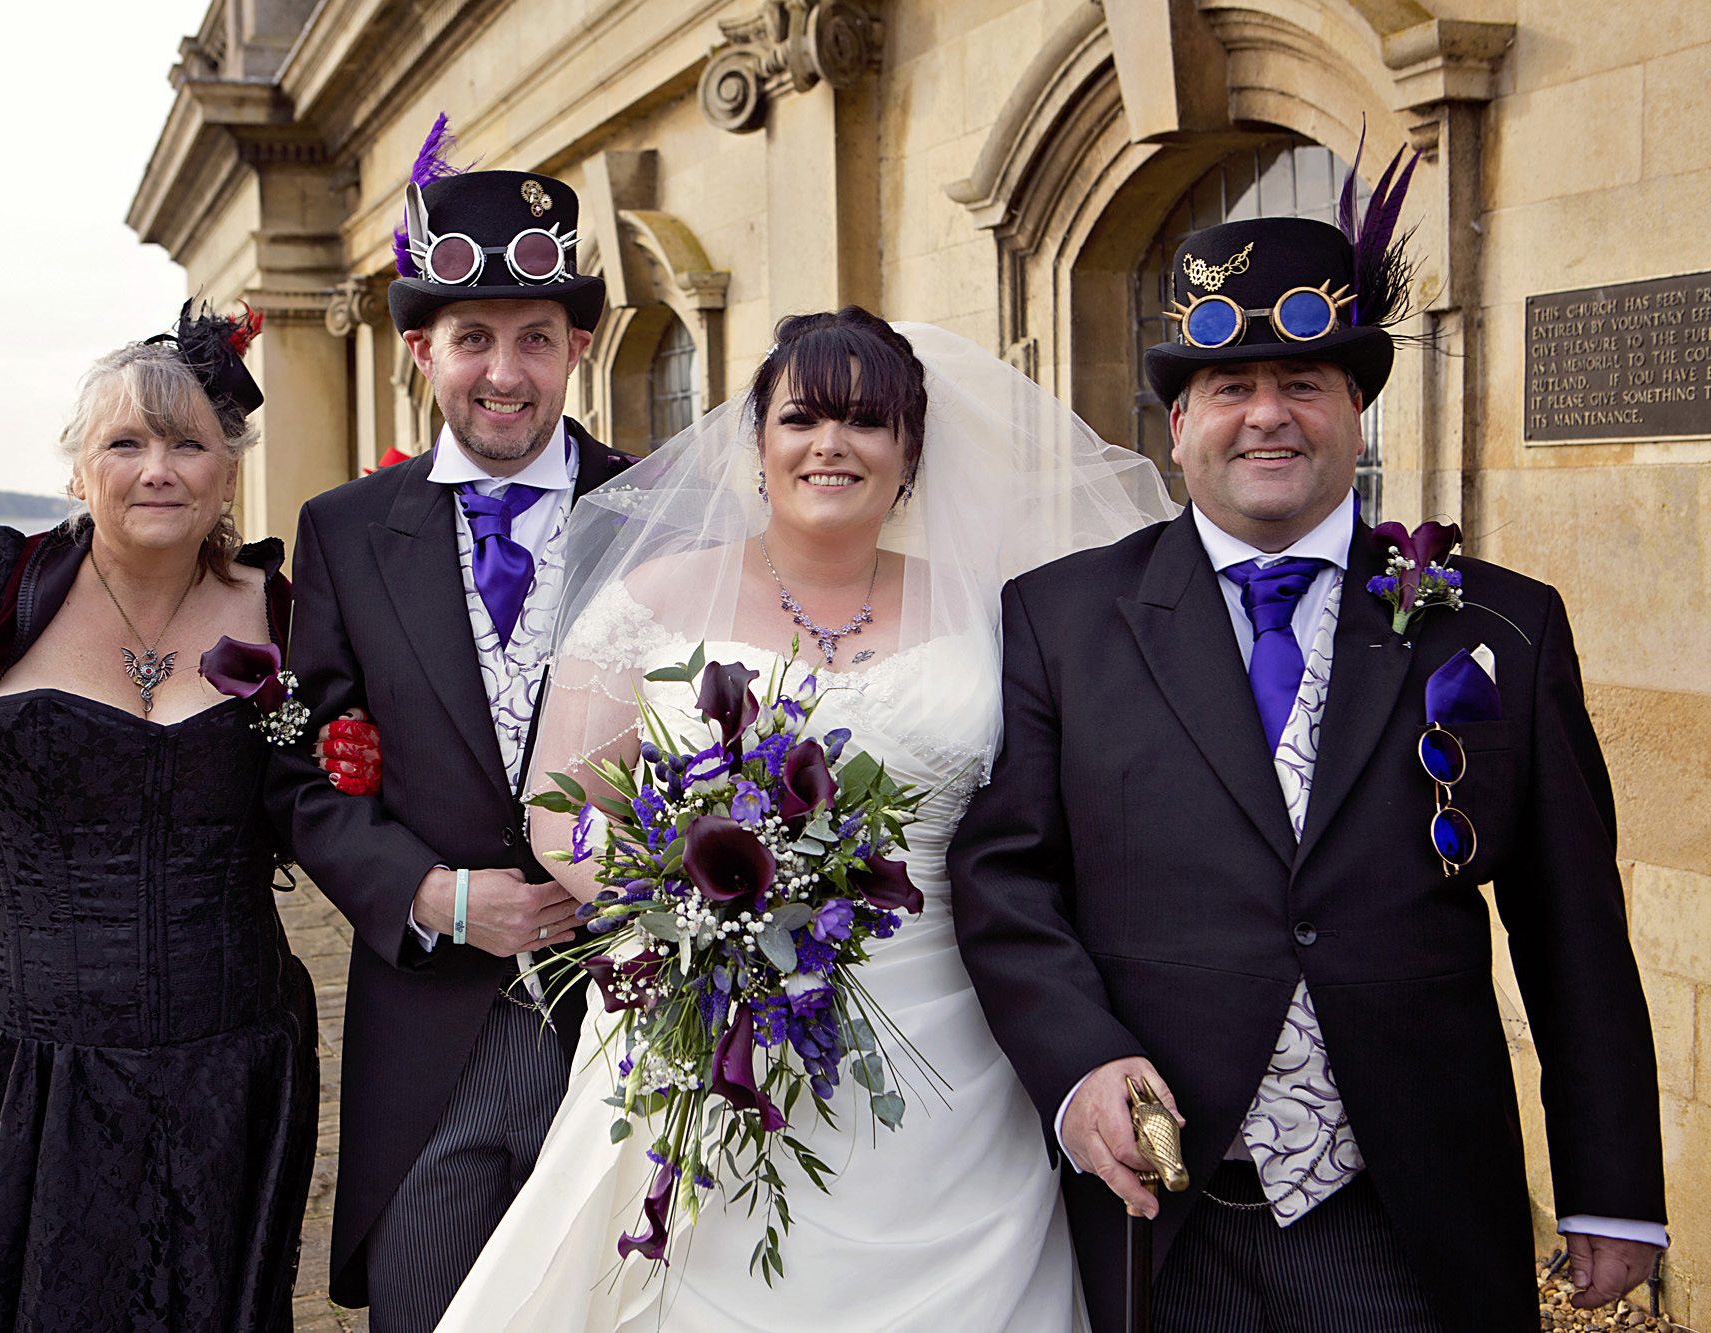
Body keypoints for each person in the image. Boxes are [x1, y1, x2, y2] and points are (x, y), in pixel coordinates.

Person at [948, 207, 1668, 1333]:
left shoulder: (1499, 625)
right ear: (1178, 423)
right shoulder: (1059, 618)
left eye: (1303, 382)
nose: (1266, 414)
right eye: (1228, 387)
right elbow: (1005, 884)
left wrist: (1613, 1190)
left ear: (1355, 408)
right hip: (1162, 1211)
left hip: (1407, 1209)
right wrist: (1080, 1061)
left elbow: (1571, 926)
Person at [433, 307, 1178, 1331]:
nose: (830, 444)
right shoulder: (652, 599)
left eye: (866, 422)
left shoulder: (997, 617)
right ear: (757, 443)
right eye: (801, 418)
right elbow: (560, 808)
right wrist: (695, 925)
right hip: (708, 1027)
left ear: (908, 454)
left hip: (953, 1044)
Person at [0, 303, 358, 1332]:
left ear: (227, 471)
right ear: (77, 471)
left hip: (231, 1049)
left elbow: (321, 790)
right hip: (22, 1053)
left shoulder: (283, 612)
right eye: (126, 442)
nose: (159, 467)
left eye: (189, 443)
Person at [262, 121, 639, 1333]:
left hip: (631, 1020)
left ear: (579, 344)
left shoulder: (659, 512)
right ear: (419, 349)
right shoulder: (340, 530)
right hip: (428, 1027)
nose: (504, 372)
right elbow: (302, 769)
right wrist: (429, 893)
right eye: (471, 338)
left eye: (535, 337)